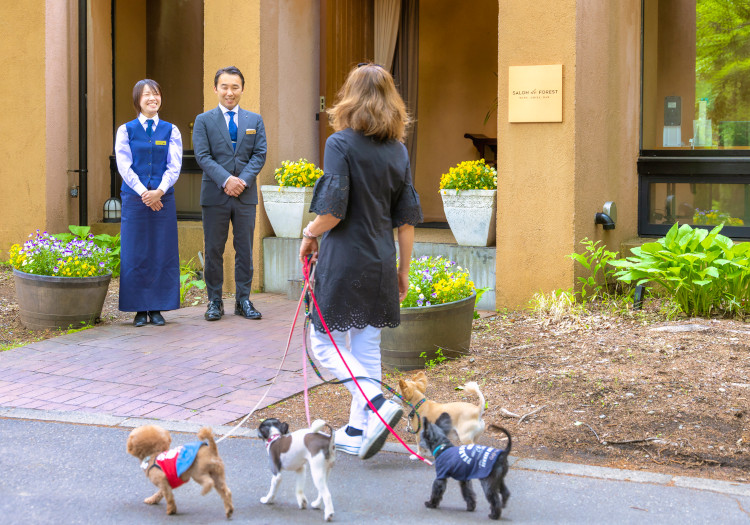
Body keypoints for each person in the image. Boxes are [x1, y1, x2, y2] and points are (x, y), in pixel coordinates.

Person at [299, 63, 423, 460]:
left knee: (322, 343)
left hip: (345, 260)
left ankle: (373, 401)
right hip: (381, 260)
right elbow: (405, 220)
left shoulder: (340, 144)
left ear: (350, 97)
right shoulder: (398, 151)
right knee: (367, 346)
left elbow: (333, 210)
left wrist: (309, 233)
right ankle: (360, 429)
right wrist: (403, 270)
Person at [193, 66, 267, 322]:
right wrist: (226, 180)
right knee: (213, 249)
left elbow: (259, 155)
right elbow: (202, 156)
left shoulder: (254, 120)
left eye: (235, 87)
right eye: (224, 86)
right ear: (215, 89)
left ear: (242, 89)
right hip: (215, 195)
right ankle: (214, 301)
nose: (230, 92)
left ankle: (243, 300)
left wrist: (242, 181)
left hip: (245, 196)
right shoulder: (204, 120)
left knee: (244, 249)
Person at [115, 79, 182, 327]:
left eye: (156, 93)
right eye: (146, 95)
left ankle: (157, 308)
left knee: (161, 251)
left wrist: (160, 191)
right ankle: (138, 310)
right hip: (135, 199)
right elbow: (124, 165)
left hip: (163, 199)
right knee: (135, 252)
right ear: (137, 100)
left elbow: (174, 165)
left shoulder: (171, 130)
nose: (152, 98)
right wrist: (145, 192)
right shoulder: (126, 130)